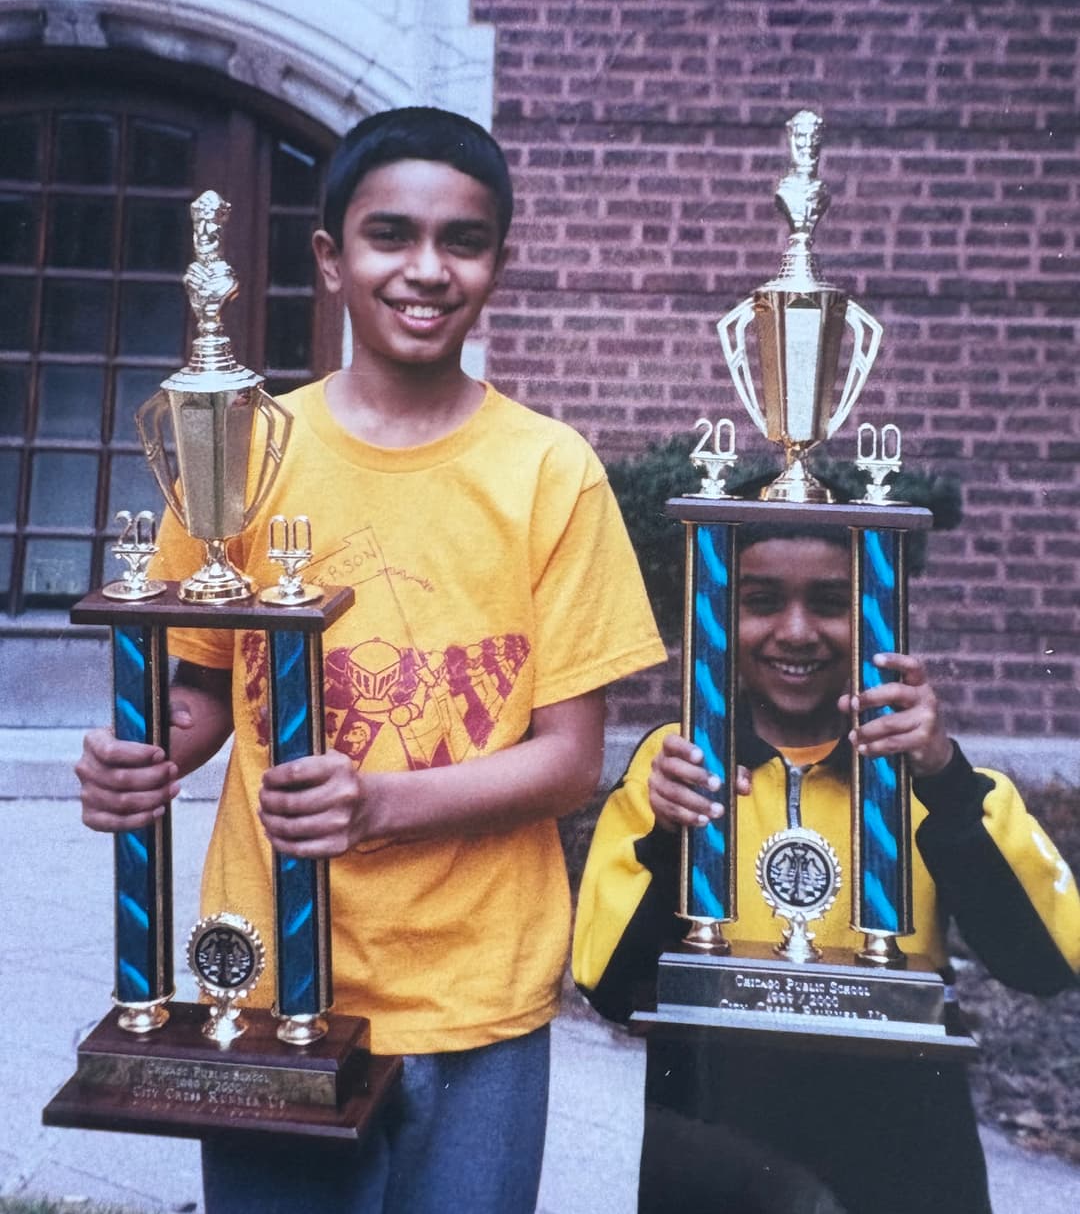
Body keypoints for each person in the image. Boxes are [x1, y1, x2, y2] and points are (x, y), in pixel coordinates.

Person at [77, 106, 667, 1214]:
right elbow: (202, 689)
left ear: (501, 260)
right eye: (390, 235)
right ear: (331, 258)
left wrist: (378, 804)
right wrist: (140, 755)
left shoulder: (550, 472)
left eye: (465, 240)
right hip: (263, 990)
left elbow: (572, 760)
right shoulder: (242, 450)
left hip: (474, 996)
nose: (427, 270)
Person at [573, 522, 1080, 1214]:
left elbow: (1046, 963)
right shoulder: (680, 768)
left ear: (875, 610)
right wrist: (667, 836)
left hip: (905, 1149)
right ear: (722, 611)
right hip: (716, 1140)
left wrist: (946, 782)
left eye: (831, 600)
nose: (797, 629)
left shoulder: (936, 781)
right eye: (761, 600)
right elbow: (606, 981)